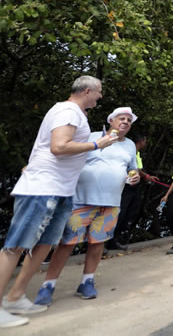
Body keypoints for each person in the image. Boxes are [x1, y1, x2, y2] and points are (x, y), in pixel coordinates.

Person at [0, 76, 115, 328]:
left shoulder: (74, 113)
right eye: (99, 92)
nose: (100, 97)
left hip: (61, 191)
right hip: (43, 188)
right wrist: (98, 144)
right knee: (17, 245)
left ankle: (15, 297)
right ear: (87, 91)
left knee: (45, 243)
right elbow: (59, 146)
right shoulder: (68, 110)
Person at [35, 107, 140, 305]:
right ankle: (48, 285)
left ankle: (87, 281)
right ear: (111, 120)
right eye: (121, 118)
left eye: (129, 120)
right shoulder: (91, 136)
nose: (125, 121)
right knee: (67, 243)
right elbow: (68, 156)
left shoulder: (130, 145)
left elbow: (132, 169)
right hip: (81, 200)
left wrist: (134, 177)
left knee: (97, 242)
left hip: (111, 203)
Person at [108, 132, 157, 250]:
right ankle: (108, 241)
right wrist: (146, 176)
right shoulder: (130, 151)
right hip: (126, 186)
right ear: (141, 141)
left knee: (130, 213)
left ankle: (116, 239)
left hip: (134, 186)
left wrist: (145, 176)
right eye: (145, 140)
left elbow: (136, 169)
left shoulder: (137, 153)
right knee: (121, 212)